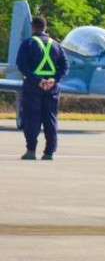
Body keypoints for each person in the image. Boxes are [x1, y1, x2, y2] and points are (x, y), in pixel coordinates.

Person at [16, 15, 69, 160]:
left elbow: (21, 65)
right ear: (45, 28)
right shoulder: (56, 45)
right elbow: (65, 66)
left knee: (32, 118)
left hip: (33, 88)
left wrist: (37, 80)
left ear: (33, 27)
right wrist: (54, 79)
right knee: (50, 119)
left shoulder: (28, 44)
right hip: (52, 88)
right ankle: (49, 152)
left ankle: (31, 151)